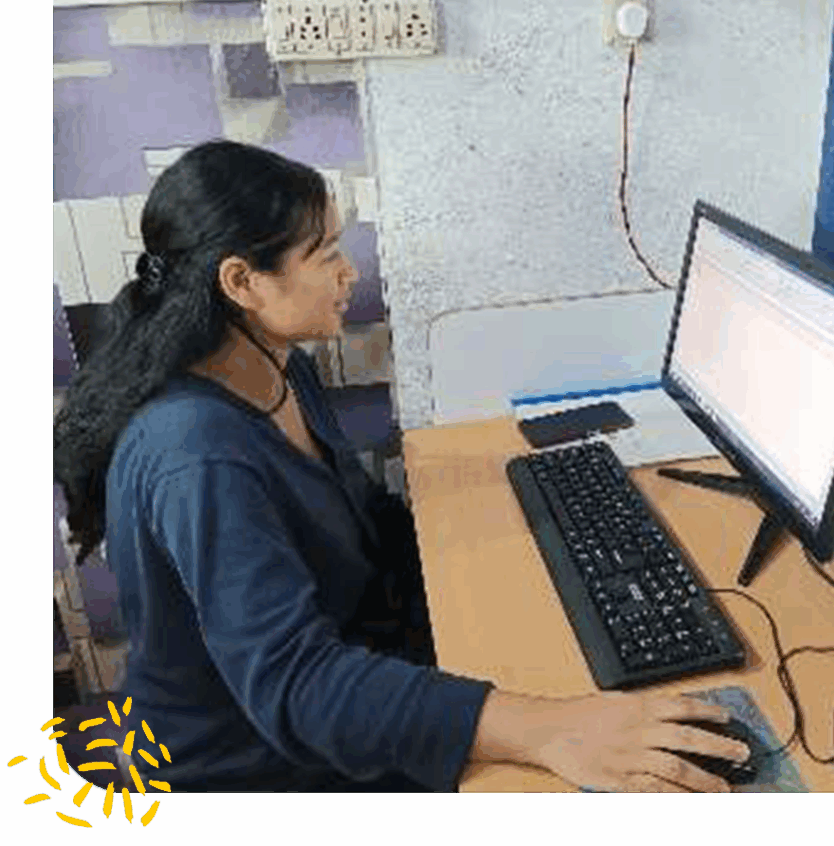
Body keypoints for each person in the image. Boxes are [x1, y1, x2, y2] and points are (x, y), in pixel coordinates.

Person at [53, 140, 749, 793]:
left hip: (332, 681)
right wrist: (548, 726)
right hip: (251, 768)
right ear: (242, 282)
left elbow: (358, 515)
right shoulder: (196, 456)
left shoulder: (277, 370)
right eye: (324, 252)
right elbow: (300, 688)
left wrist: (523, 529)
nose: (348, 271)